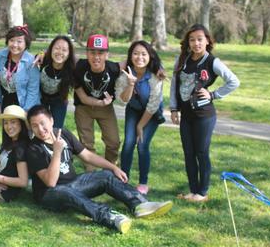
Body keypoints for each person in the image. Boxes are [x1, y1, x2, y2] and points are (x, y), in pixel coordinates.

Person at [26, 105, 173, 234]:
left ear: (51, 120)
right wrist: (57, 152)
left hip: (73, 186)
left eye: (42, 123)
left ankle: (140, 204)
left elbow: (88, 156)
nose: (40, 129)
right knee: (64, 190)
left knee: (105, 175)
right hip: (50, 194)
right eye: (34, 126)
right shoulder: (33, 148)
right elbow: (50, 182)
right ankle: (110, 217)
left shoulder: (63, 133)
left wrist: (113, 167)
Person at [170, 24, 240, 202]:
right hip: (186, 116)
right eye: (192, 40)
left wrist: (213, 94)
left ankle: (202, 193)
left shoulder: (212, 62)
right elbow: (174, 85)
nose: (196, 43)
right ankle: (193, 192)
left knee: (201, 152)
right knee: (188, 153)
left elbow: (234, 81)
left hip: (204, 116)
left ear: (207, 40)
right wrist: (173, 108)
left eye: (200, 39)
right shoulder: (182, 60)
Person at [73, 34, 133, 171]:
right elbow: (60, 53)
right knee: (87, 142)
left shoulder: (113, 68)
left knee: (113, 141)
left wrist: (157, 67)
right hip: (84, 107)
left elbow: (137, 58)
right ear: (86, 53)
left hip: (106, 109)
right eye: (92, 52)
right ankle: (91, 173)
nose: (96, 57)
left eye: (101, 52)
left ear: (107, 54)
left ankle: (111, 169)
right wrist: (41, 55)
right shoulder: (78, 67)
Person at [116, 40, 165, 195]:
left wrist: (140, 126)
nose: (139, 57)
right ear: (130, 56)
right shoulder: (125, 74)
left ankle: (143, 183)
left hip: (151, 114)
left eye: (143, 54)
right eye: (135, 53)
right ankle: (123, 179)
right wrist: (130, 84)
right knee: (128, 143)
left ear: (149, 56)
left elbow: (152, 105)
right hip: (133, 110)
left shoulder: (155, 75)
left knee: (142, 145)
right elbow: (122, 100)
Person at [0, 25, 40, 115]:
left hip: (26, 105)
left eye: (19, 41)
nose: (14, 45)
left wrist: (26, 111)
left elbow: (33, 90)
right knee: (8, 128)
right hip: (6, 104)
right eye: (11, 40)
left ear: (26, 44)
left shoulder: (31, 62)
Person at [39, 35, 75, 128]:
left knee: (57, 129)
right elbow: (38, 55)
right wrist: (40, 53)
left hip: (59, 99)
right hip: (40, 98)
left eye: (64, 50)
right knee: (41, 127)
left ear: (69, 53)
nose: (60, 52)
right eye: (57, 48)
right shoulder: (42, 61)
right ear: (51, 49)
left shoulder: (72, 68)